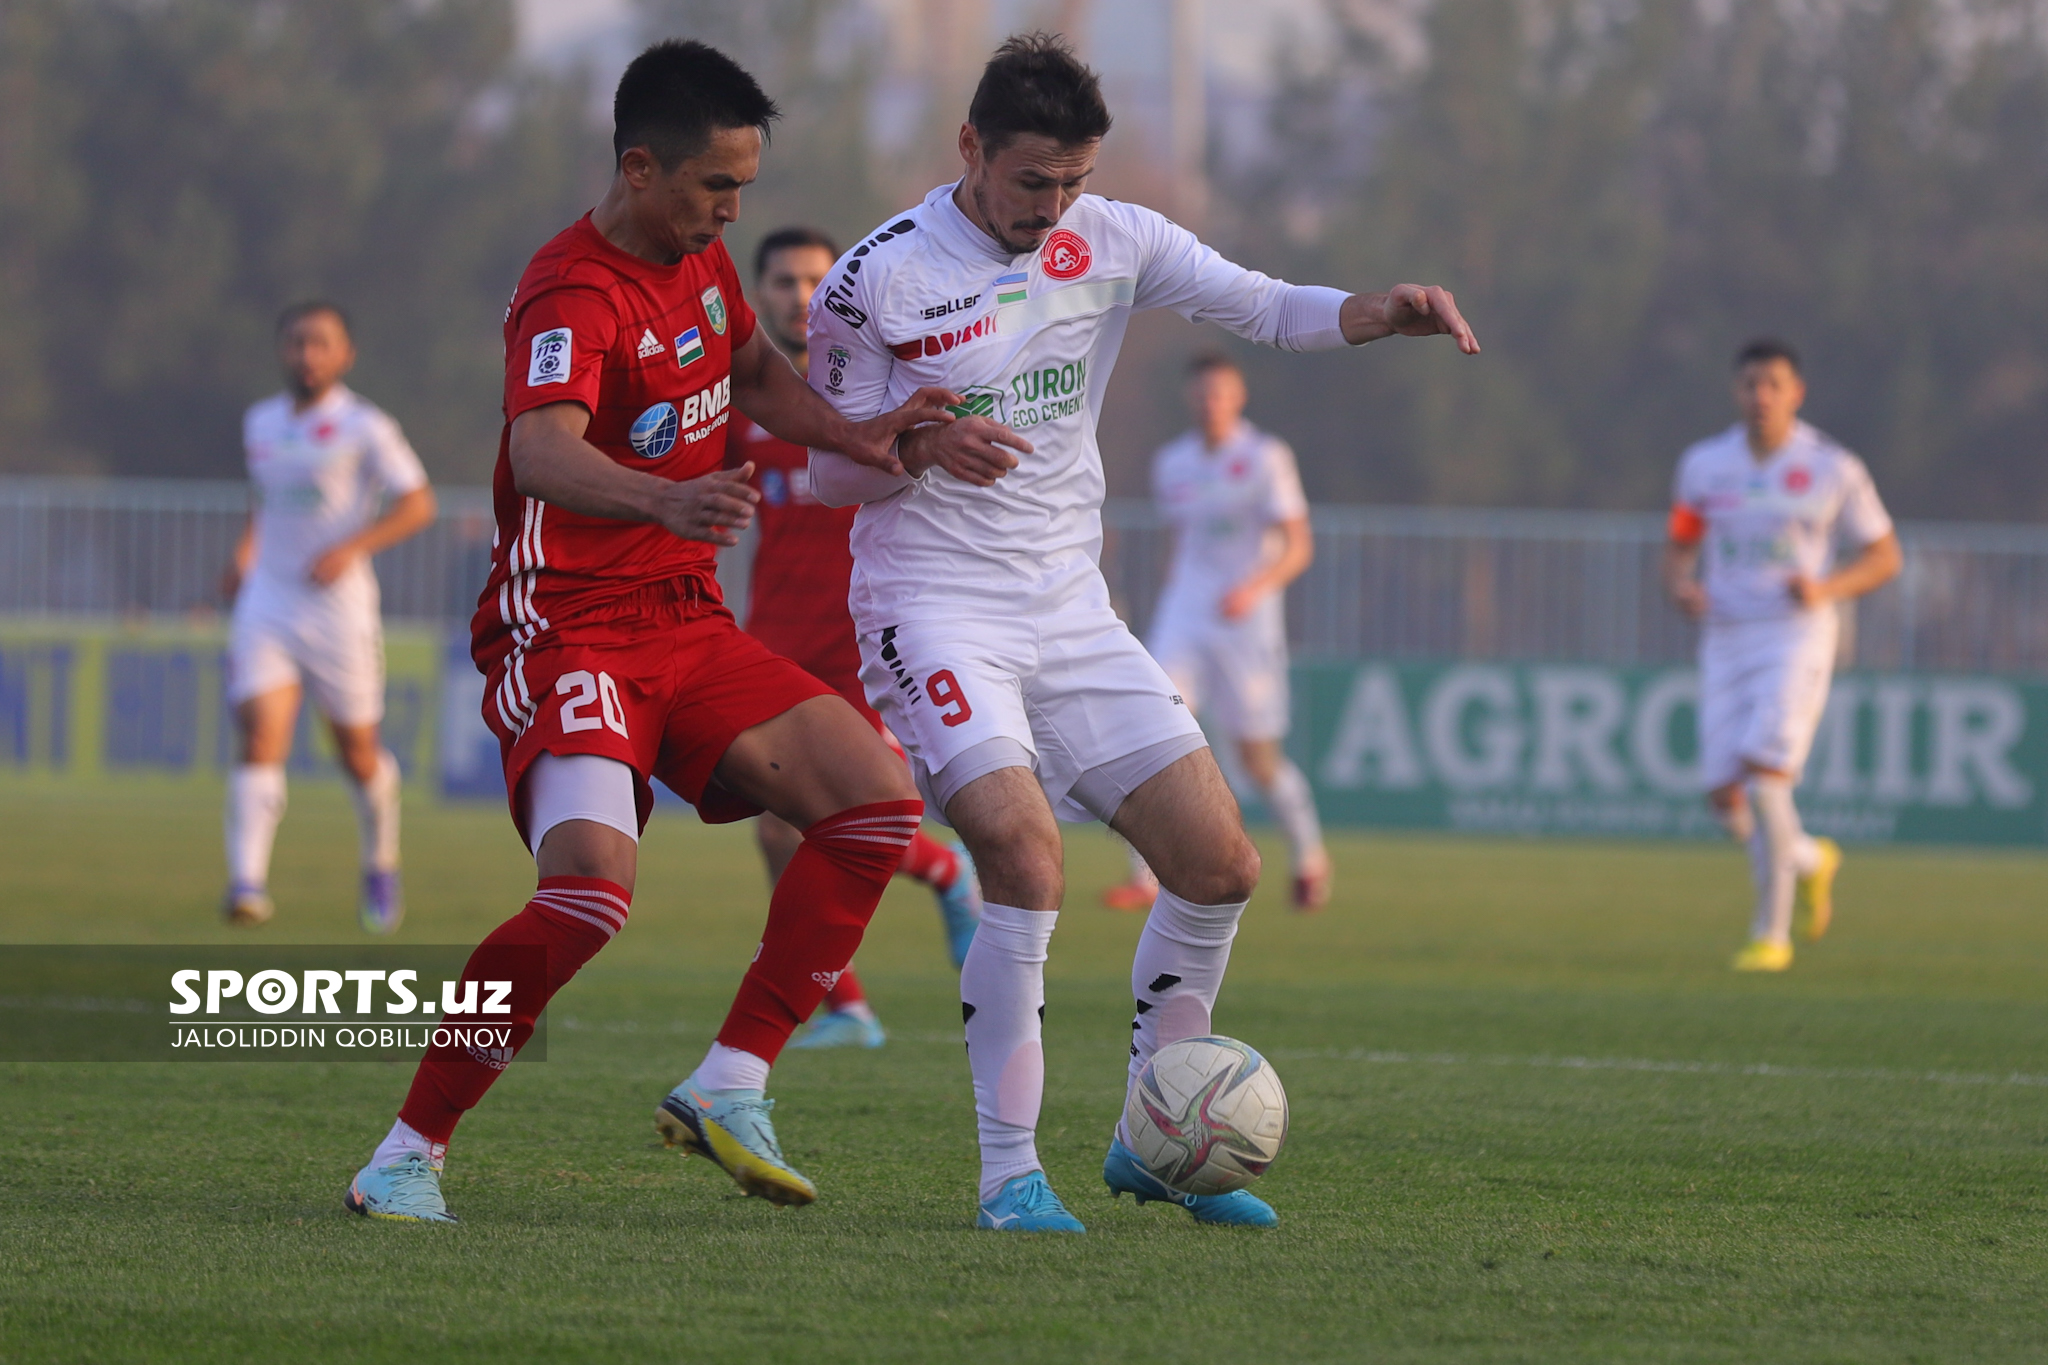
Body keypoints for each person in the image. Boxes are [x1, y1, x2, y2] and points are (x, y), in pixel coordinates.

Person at [806, 33, 1478, 1233]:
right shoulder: (876, 279)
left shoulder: (1108, 236)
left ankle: (1151, 1143)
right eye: (1029, 184)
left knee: (1220, 866)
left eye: (1071, 182)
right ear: (967, 149)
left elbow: (1265, 307)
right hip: (933, 608)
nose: (1051, 209)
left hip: (1070, 608)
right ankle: (1009, 1172)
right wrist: (912, 444)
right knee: (1022, 856)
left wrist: (1378, 311)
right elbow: (826, 477)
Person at [345, 39, 954, 1225]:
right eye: (715, 187)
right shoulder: (572, 292)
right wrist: (666, 497)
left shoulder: (702, 258)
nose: (731, 211)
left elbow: (757, 376)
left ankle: (731, 1079)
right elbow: (540, 451)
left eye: (741, 187)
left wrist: (865, 434)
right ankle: (406, 1152)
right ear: (639, 167)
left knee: (874, 805)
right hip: (565, 628)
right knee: (586, 897)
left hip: (684, 618)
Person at [724, 225, 984, 1050]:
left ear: (839, 290)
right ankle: (855, 995)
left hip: (859, 639)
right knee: (776, 828)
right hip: (773, 637)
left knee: (828, 816)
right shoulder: (748, 405)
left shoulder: (879, 389)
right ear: (759, 294)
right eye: (781, 282)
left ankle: (927, 897)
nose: (798, 296)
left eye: (813, 280)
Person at [1664, 339, 1901, 973]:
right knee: (1725, 796)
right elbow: (1682, 539)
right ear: (1735, 393)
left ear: (1797, 392)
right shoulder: (1705, 464)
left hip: (1796, 634)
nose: (1760, 395)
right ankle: (1807, 859)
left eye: (1773, 384)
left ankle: (1771, 935)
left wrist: (1825, 588)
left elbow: (1884, 555)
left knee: (1765, 777)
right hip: (1724, 635)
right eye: (1749, 384)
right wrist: (1681, 584)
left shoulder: (1832, 467)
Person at [223, 302, 436, 934]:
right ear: (282, 350)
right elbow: (264, 502)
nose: (306, 355)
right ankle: (246, 884)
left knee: (357, 753)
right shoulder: (259, 421)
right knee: (261, 732)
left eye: (320, 344)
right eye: (295, 343)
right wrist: (244, 552)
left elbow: (417, 502)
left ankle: (380, 859)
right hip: (269, 601)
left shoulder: (365, 425)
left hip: (339, 612)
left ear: (345, 355)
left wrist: (352, 548)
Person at [1104, 352, 1330, 914]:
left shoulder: (1265, 457)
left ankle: (1308, 858)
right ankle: (1146, 876)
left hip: (1247, 621)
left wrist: (1254, 588)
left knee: (1256, 760)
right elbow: (1179, 543)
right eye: (1202, 394)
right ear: (1191, 398)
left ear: (1238, 398)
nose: (1211, 404)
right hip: (1185, 615)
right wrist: (1175, 596)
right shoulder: (1173, 462)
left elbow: (1299, 545)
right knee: (1150, 727)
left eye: (1221, 394)